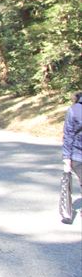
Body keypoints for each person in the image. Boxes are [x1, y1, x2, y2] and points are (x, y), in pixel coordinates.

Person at [61, 92, 82, 224]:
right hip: (78, 155)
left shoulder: (73, 110)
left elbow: (68, 135)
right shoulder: (74, 110)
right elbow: (68, 134)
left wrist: (67, 157)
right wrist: (67, 157)